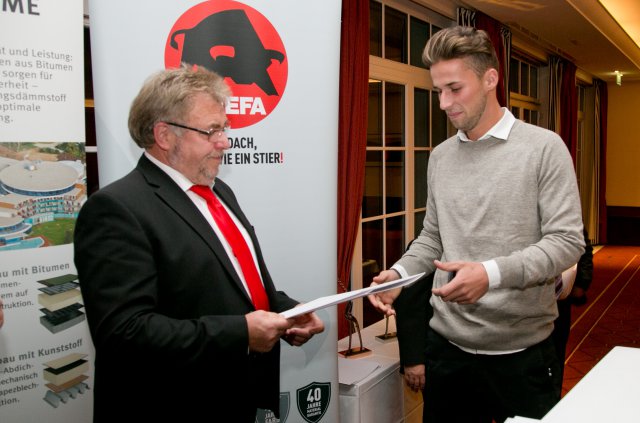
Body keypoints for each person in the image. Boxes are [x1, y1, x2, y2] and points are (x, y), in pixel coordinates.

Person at [73, 65, 324, 423]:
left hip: (233, 397)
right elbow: (123, 334)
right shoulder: (116, 209)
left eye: (224, 128)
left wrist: (285, 312)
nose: (224, 142)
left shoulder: (219, 192)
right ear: (164, 135)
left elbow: (232, 282)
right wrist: (242, 334)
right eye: (211, 131)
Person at [367, 26, 585, 423]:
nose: (444, 103)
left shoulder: (544, 148)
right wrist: (399, 275)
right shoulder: (440, 157)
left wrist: (490, 274)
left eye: (454, 88)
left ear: (490, 79)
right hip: (447, 352)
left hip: (523, 356)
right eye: (438, 91)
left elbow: (567, 242)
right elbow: (433, 237)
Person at [552, 228, 593, 386]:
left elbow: (582, 245)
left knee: (556, 352)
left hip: (559, 299)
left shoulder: (566, 213)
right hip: (524, 300)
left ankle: (554, 395)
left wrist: (582, 282)